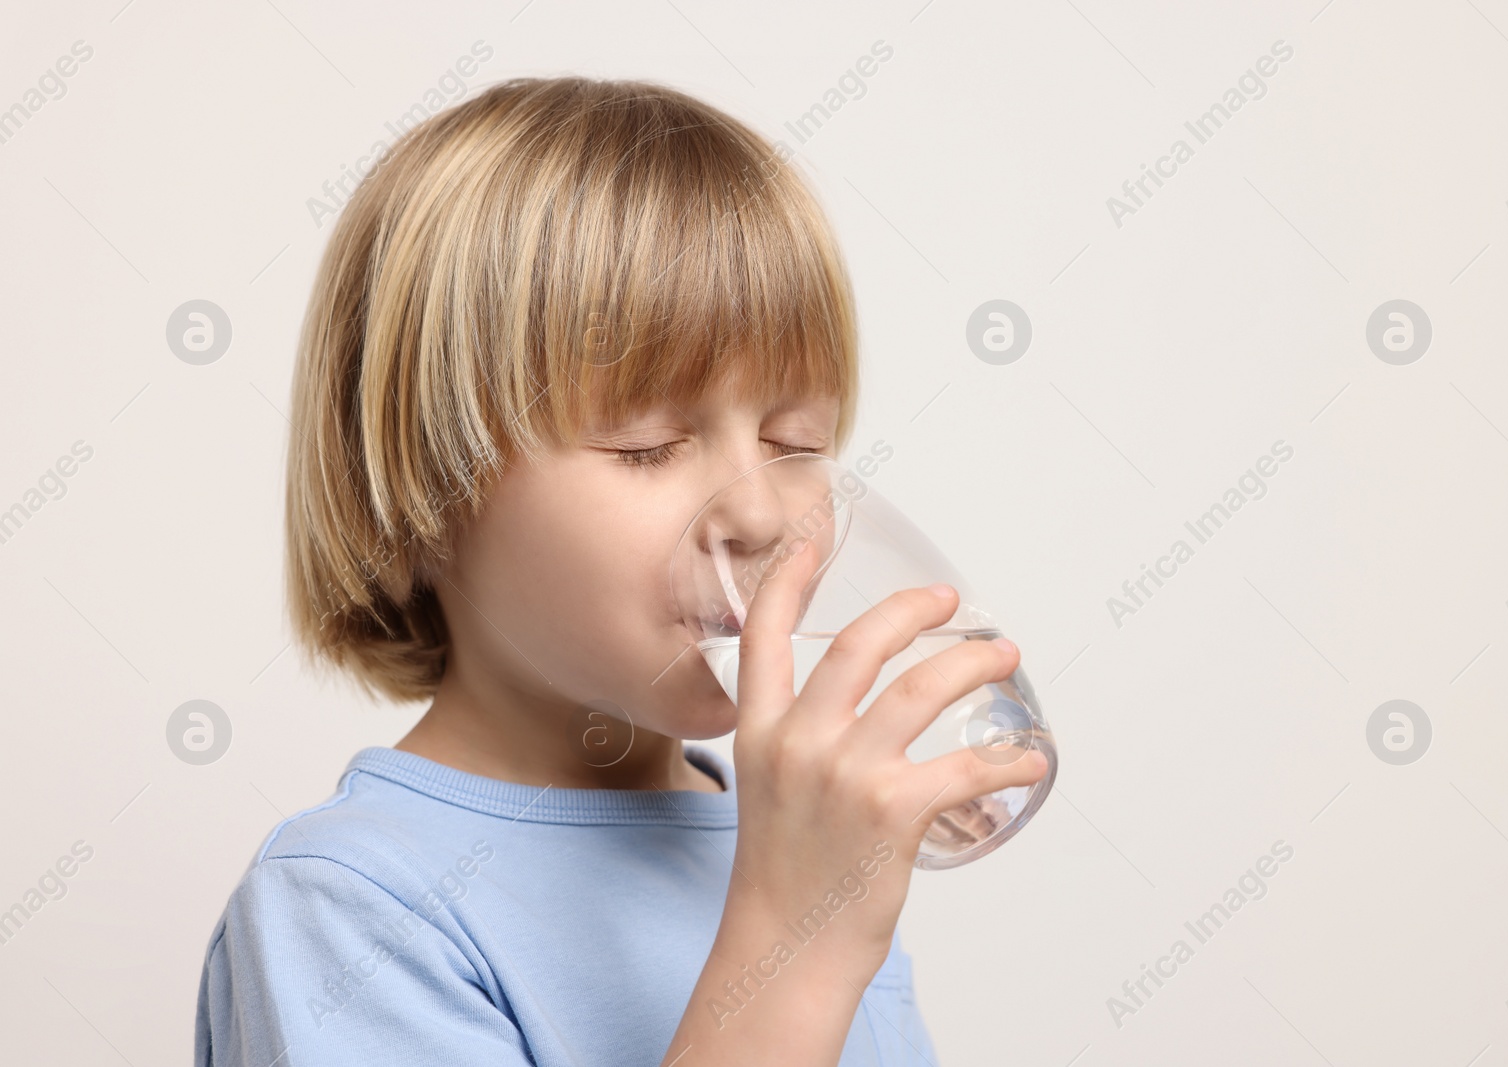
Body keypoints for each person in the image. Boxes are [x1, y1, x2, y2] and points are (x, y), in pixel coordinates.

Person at [193, 75, 1048, 1067]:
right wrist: (793, 938)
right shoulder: (354, 905)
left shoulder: (791, 835)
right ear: (425, 493)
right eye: (645, 443)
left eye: (792, 438)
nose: (760, 510)